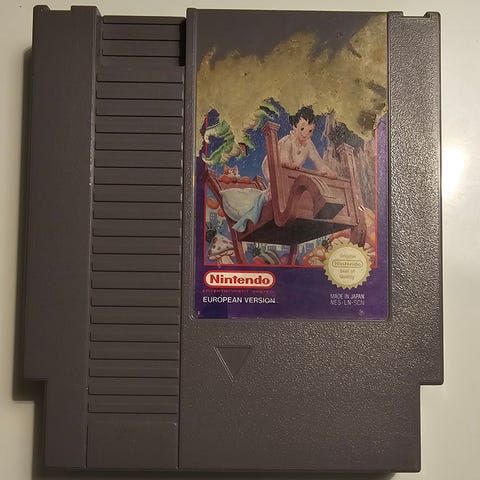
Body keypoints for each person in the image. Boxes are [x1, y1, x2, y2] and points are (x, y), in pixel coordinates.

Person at [262, 106, 337, 182]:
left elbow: (319, 162)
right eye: (302, 129)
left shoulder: (309, 144)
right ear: (294, 126)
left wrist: (328, 172)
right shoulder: (288, 141)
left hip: (291, 173)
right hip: (271, 169)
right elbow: (284, 160)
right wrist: (290, 165)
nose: (305, 134)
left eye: (310, 131)